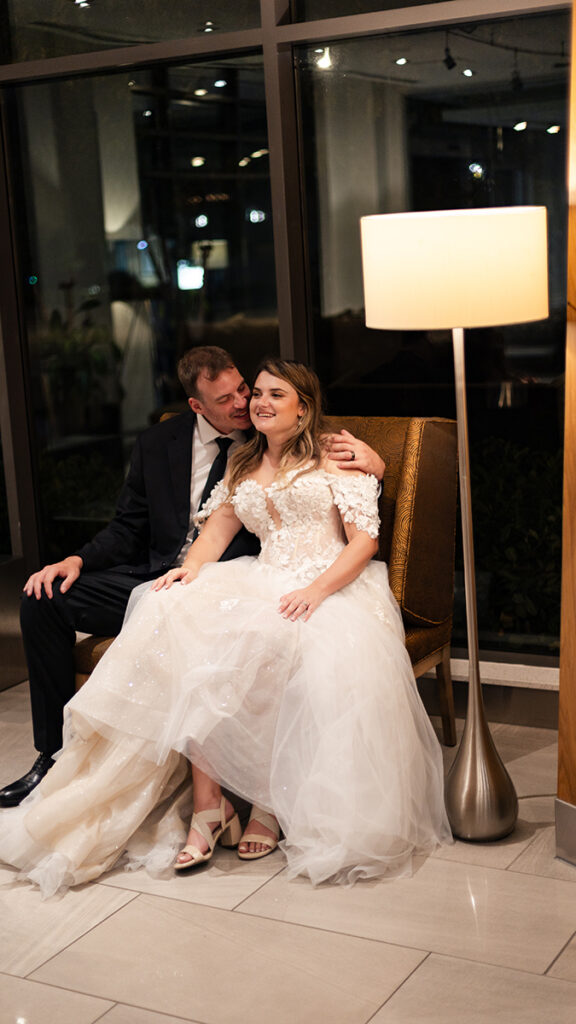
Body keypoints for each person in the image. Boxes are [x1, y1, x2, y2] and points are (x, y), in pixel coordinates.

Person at [0, 359, 450, 895]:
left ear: (302, 407)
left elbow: (363, 544)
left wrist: (314, 591)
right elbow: (213, 538)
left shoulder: (336, 457)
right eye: (255, 393)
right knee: (186, 621)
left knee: (270, 640)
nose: (258, 402)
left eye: (273, 395)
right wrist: (187, 573)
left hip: (332, 583)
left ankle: (267, 802)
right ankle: (207, 808)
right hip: (262, 577)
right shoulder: (242, 464)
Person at [0, 346, 384, 808]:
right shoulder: (161, 444)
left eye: (248, 389)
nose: (246, 403)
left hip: (245, 580)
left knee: (192, 619)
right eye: (231, 399)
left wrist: (376, 466)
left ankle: (208, 797)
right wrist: (78, 560)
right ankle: (55, 756)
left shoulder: (280, 443)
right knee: (44, 599)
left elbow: (352, 512)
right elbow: (130, 526)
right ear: (197, 406)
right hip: (166, 572)